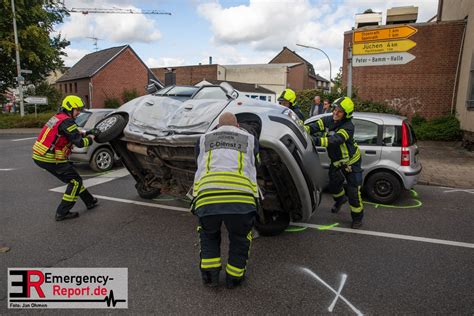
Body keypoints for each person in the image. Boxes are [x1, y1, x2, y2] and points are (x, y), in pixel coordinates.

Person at [192, 112, 259, 289]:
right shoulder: (250, 138)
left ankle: (210, 277)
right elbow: (255, 164)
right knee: (240, 238)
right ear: (237, 126)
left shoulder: (204, 139)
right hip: (241, 198)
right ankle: (234, 279)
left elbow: (198, 163)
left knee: (208, 236)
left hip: (207, 196)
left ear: (217, 127)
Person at [32, 95, 98, 221]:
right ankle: (62, 212)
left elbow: (69, 132)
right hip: (49, 157)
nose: (78, 113)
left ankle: (90, 201)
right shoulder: (67, 121)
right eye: (77, 109)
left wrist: (86, 132)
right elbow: (79, 142)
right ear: (69, 108)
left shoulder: (59, 117)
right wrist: (91, 138)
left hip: (40, 155)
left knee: (72, 179)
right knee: (75, 181)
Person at [305, 97, 364, 229]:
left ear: (346, 115)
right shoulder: (329, 119)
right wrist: (303, 130)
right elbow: (315, 126)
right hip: (337, 163)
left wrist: (315, 140)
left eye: (340, 112)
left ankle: (357, 218)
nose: (335, 113)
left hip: (351, 163)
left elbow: (334, 140)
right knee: (334, 185)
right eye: (335, 110)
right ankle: (340, 200)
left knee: (353, 192)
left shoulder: (348, 127)